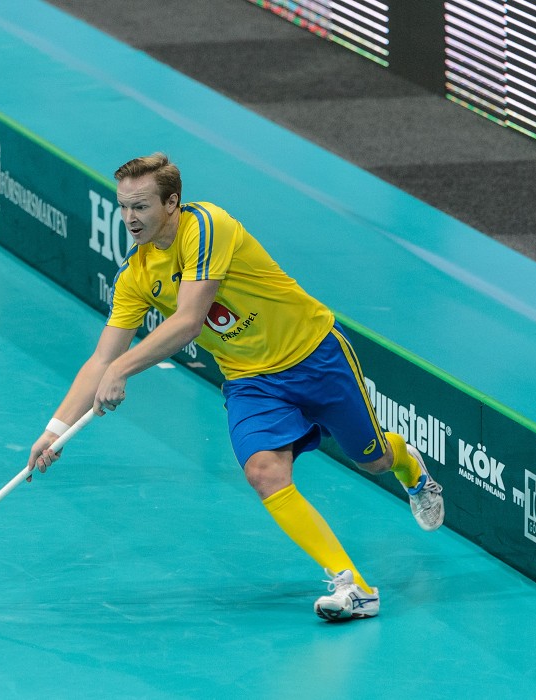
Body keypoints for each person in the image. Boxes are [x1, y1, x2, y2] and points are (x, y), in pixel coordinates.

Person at [28, 153, 444, 621]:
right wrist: (55, 429)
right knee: (265, 473)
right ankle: (354, 586)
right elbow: (100, 359)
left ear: (173, 202)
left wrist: (123, 370)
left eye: (141, 206)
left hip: (314, 354)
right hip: (251, 380)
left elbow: (187, 321)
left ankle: (410, 465)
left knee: (374, 461)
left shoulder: (207, 226)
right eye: (123, 207)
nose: (130, 218)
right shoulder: (137, 275)